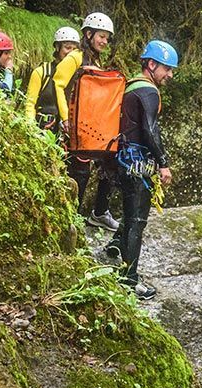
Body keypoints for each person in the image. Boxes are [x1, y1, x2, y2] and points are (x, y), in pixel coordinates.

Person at [104, 40, 176, 300]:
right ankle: (129, 280)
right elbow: (150, 130)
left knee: (130, 212)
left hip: (123, 159)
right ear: (152, 64)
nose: (170, 75)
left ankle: (116, 243)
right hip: (136, 163)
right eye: (167, 68)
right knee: (137, 220)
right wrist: (163, 163)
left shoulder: (132, 86)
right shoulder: (148, 91)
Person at [52, 12, 119, 231]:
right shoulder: (76, 57)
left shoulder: (96, 60)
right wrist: (65, 118)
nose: (105, 41)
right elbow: (58, 84)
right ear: (88, 34)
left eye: (107, 38)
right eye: (101, 36)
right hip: (73, 126)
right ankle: (70, 219)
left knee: (109, 164)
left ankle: (98, 212)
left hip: (91, 126)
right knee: (80, 173)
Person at [24, 26, 80, 133]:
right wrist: (31, 129)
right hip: (42, 131)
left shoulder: (78, 76)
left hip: (69, 133)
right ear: (57, 47)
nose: (71, 53)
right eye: (68, 48)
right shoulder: (41, 72)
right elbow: (30, 103)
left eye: (74, 50)